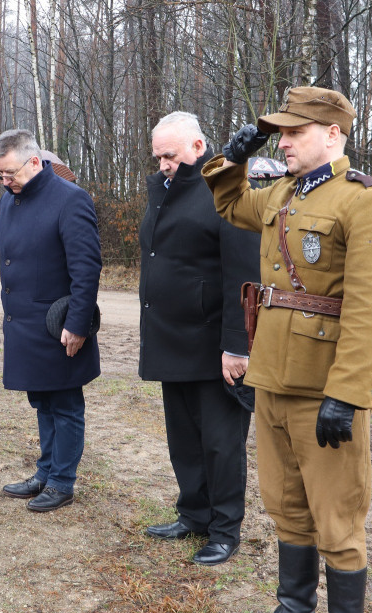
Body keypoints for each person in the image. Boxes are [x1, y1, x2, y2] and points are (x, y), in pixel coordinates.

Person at [202, 87, 372, 613]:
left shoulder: (368, 205)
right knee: (286, 506)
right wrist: (231, 156)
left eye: (294, 133)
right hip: (273, 378)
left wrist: (347, 393)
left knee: (337, 521)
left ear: (334, 135)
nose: (283, 142)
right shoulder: (285, 194)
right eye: (279, 134)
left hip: (324, 389)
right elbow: (231, 204)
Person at [138, 112, 260, 566]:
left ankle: (225, 529)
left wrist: (237, 345)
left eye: (170, 154)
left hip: (215, 344)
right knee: (184, 438)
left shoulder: (225, 191)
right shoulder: (163, 191)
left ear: (198, 146)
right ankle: (194, 513)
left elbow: (244, 275)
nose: (164, 163)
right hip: (172, 338)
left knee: (221, 443)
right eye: (158, 156)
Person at [0, 129, 102, 512]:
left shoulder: (71, 200)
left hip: (58, 327)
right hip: (23, 325)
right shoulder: (8, 202)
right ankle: (44, 471)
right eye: (0, 175)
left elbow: (86, 270)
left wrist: (78, 324)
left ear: (35, 161)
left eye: (11, 174)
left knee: (65, 402)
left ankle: (62, 482)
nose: (6, 182)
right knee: (43, 402)